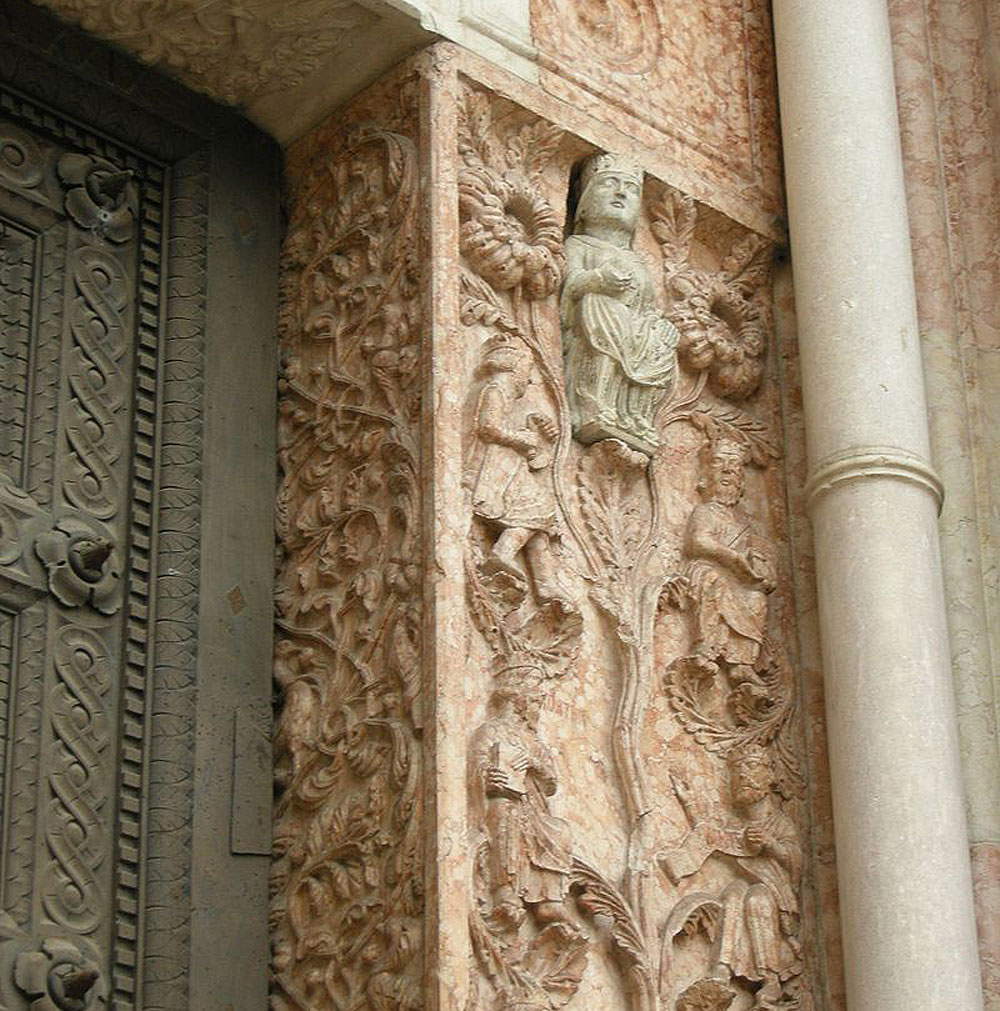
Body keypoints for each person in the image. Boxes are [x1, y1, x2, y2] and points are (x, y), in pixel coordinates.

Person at [661, 747, 802, 1008]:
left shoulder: (780, 824)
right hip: (747, 894)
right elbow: (714, 836)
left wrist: (771, 845)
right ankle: (721, 970)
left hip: (777, 902)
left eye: (750, 768)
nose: (742, 777)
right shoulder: (739, 825)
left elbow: (795, 861)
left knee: (757, 896)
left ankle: (770, 978)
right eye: (737, 772)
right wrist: (689, 801)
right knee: (734, 891)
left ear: (769, 776)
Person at [561, 151, 679, 453]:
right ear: (583, 205)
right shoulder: (579, 245)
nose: (621, 193)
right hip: (602, 323)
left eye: (631, 189)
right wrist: (599, 280)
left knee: (661, 335)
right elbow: (571, 283)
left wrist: (658, 326)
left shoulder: (636, 261)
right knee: (602, 305)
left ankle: (635, 415)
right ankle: (595, 402)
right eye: (609, 183)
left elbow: (648, 307)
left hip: (633, 333)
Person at [472, 664, 576, 936]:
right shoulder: (491, 730)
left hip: (535, 807)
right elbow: (479, 763)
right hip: (506, 801)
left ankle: (549, 899)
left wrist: (534, 765)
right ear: (517, 701)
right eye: (533, 700)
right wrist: (488, 776)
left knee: (560, 830)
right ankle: (505, 890)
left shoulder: (534, 743)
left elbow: (551, 783)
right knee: (505, 814)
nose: (537, 707)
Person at [470, 341, 566, 607]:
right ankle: (502, 552)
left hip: (507, 466)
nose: (530, 379)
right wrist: (521, 439)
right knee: (538, 509)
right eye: (526, 369)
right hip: (494, 469)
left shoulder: (499, 393)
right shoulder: (495, 390)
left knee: (540, 515)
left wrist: (530, 428)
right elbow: (489, 428)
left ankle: (546, 584)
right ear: (513, 367)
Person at [683, 436, 776, 708]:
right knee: (712, 581)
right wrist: (733, 558)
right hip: (713, 570)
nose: (727, 470)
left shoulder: (743, 522)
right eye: (719, 463)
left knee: (756, 598)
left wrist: (759, 567)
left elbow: (761, 555)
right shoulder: (706, 511)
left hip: (740, 578)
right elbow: (697, 541)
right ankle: (708, 646)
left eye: (734, 466)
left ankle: (742, 662)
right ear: (705, 473)